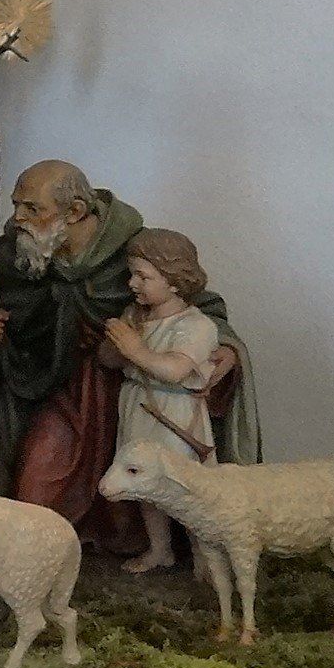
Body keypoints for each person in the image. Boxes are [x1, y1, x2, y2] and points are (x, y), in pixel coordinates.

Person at [0, 161, 254, 547]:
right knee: (36, 487)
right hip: (54, 388)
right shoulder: (14, 254)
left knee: (152, 487)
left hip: (131, 394)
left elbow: (198, 308)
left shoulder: (134, 253)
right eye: (16, 205)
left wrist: (226, 349)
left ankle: (157, 549)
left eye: (32, 208)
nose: (18, 219)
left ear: (75, 211)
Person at [102, 229, 226, 573]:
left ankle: (204, 557)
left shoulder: (195, 325)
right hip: (138, 406)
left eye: (143, 277)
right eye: (132, 274)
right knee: (144, 480)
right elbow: (107, 360)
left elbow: (174, 370)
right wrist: (117, 343)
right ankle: (160, 549)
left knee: (184, 486)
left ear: (173, 281)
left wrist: (134, 349)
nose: (132, 283)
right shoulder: (135, 316)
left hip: (174, 412)